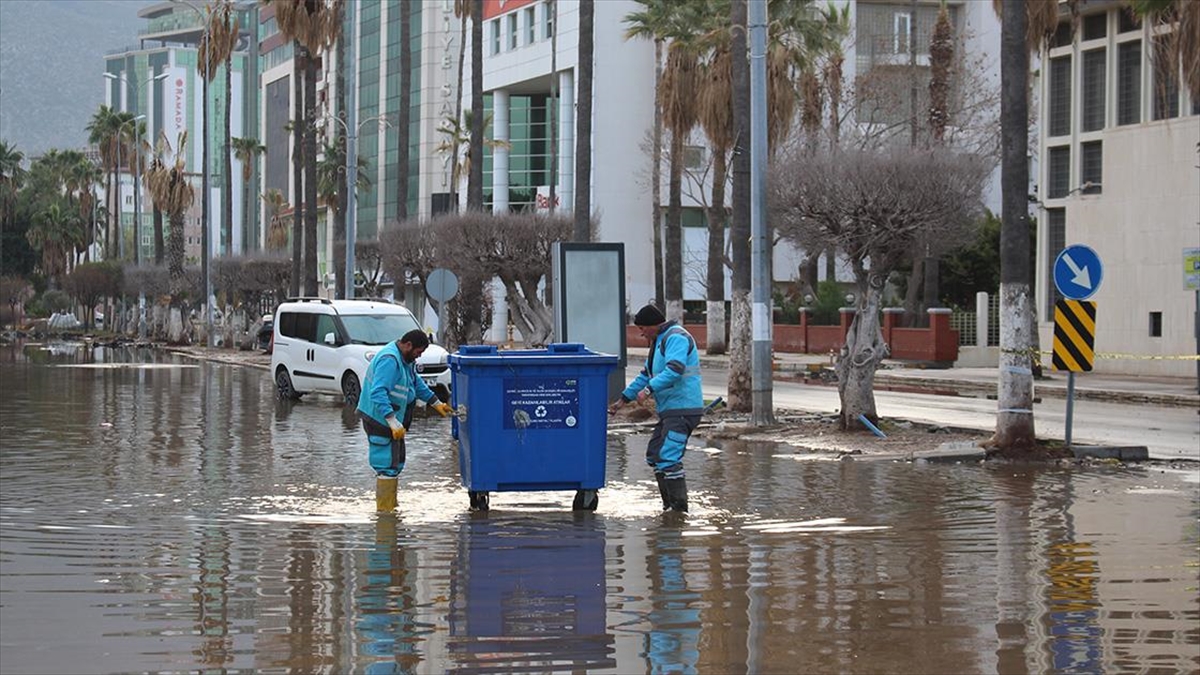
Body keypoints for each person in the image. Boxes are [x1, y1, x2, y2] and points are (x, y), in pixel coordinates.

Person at [608, 304, 703, 513]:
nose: (641, 333)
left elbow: (674, 370)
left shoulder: (676, 337)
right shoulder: (659, 341)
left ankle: (678, 512)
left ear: (653, 325)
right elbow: (645, 375)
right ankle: (668, 509)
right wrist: (623, 400)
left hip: (683, 408)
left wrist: (649, 391)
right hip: (670, 410)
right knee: (655, 455)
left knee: (668, 456)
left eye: (642, 328)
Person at [357, 328, 454, 510]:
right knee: (386, 464)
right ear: (408, 345)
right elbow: (377, 392)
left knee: (396, 463)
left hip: (392, 420)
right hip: (380, 419)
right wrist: (391, 421)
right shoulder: (390, 360)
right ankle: (385, 515)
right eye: (418, 352)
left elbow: (415, 383)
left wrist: (435, 402)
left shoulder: (405, 360)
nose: (418, 357)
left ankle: (391, 506)